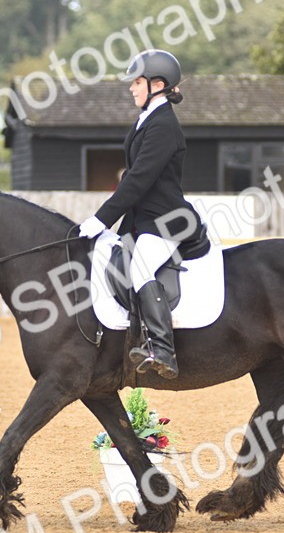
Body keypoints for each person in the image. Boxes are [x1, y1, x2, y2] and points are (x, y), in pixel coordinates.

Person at [77, 49, 205, 380]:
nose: (132, 89)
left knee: (141, 266)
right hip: (143, 220)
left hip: (167, 219)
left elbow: (138, 179)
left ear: (158, 84)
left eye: (137, 83)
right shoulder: (146, 118)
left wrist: (101, 219)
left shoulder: (163, 125)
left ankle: (163, 349)